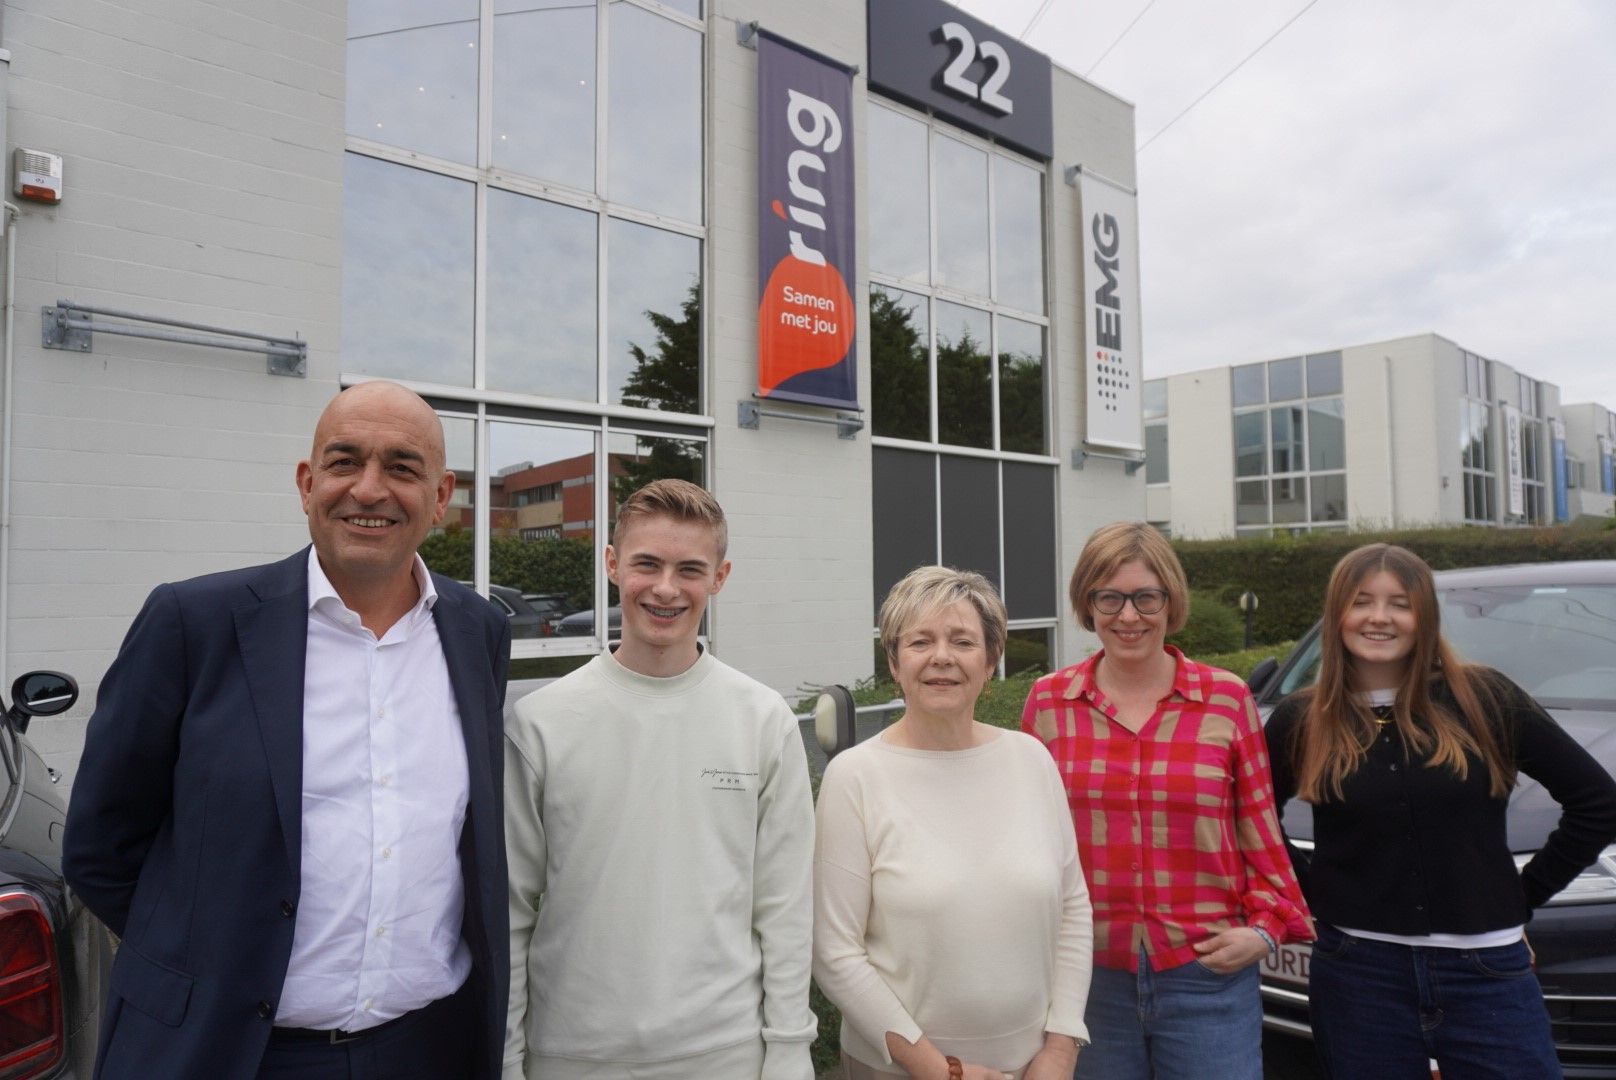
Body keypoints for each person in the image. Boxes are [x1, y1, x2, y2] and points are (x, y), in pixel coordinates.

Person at [62, 381, 513, 1079]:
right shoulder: (194, 624)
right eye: (344, 462)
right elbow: (100, 846)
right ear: (307, 484)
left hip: (429, 1050)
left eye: (401, 466)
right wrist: (204, 961)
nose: (369, 489)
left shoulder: (477, 630)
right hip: (230, 1054)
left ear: (441, 494)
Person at [1265, 543, 1616, 1079]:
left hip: (1487, 973)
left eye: (1399, 603)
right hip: (1360, 976)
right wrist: (1316, 890)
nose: (1379, 617)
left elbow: (1598, 803)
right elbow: (1253, 818)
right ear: (1338, 613)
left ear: (1423, 616)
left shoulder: (1485, 698)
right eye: (1361, 601)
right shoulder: (1301, 718)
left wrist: (1521, 897)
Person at [503, 478, 816, 1080]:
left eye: (690, 569)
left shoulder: (762, 719)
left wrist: (789, 1051)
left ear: (720, 578)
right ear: (614, 566)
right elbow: (510, 912)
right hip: (571, 1056)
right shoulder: (540, 723)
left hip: (726, 1054)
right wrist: (507, 1058)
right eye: (647, 564)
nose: (666, 588)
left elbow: (784, 908)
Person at [1021, 521, 1311, 1080]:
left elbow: (1259, 829)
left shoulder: (1225, 700)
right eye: (1109, 597)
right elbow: (1028, 837)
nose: (1128, 616)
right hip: (1087, 979)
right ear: (1088, 604)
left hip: (1207, 975)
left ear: (1170, 600)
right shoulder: (1049, 702)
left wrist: (1265, 930)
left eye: (1145, 597)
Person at [814, 565, 1092, 1080]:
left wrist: (1062, 1047)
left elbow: (1074, 908)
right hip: (897, 1071)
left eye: (962, 641)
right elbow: (835, 952)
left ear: (990, 661)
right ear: (895, 663)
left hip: (1034, 1069)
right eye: (920, 641)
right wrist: (941, 1071)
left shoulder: (1031, 759)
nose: (942, 657)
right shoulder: (856, 777)